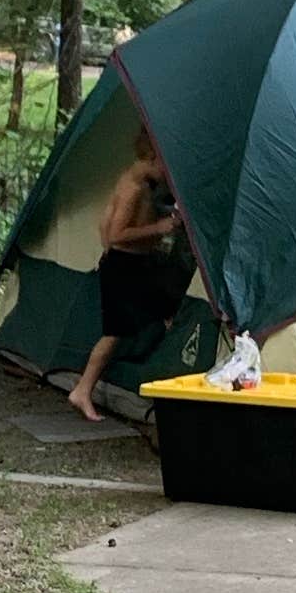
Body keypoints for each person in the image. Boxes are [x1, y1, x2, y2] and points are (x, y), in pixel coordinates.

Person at [68, 140, 193, 421]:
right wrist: (158, 228)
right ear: (151, 158)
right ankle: (82, 389)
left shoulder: (143, 184)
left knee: (167, 308)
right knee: (115, 333)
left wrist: (162, 221)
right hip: (122, 267)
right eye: (165, 164)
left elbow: (112, 223)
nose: (168, 173)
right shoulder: (132, 188)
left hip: (139, 265)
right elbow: (114, 235)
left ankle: (165, 378)